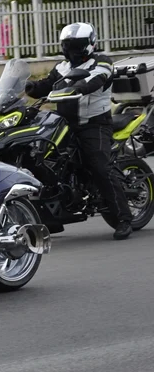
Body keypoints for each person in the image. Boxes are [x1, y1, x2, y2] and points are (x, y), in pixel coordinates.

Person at [24, 22, 132, 240]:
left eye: (77, 45)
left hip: (94, 124)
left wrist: (78, 87)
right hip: (65, 124)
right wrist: (29, 88)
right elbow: (47, 84)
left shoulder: (102, 62)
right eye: (68, 45)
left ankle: (123, 219)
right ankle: (51, 217)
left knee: (100, 166)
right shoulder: (62, 67)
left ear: (90, 44)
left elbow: (95, 80)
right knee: (43, 160)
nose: (72, 50)